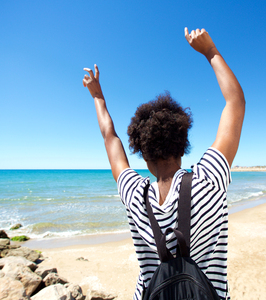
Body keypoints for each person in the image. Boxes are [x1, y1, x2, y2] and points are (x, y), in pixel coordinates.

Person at [83, 27, 245, 300]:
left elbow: (110, 138)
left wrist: (98, 97)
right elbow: (235, 103)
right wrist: (210, 51)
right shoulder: (209, 179)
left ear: (143, 155)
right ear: (183, 144)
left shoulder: (134, 194)